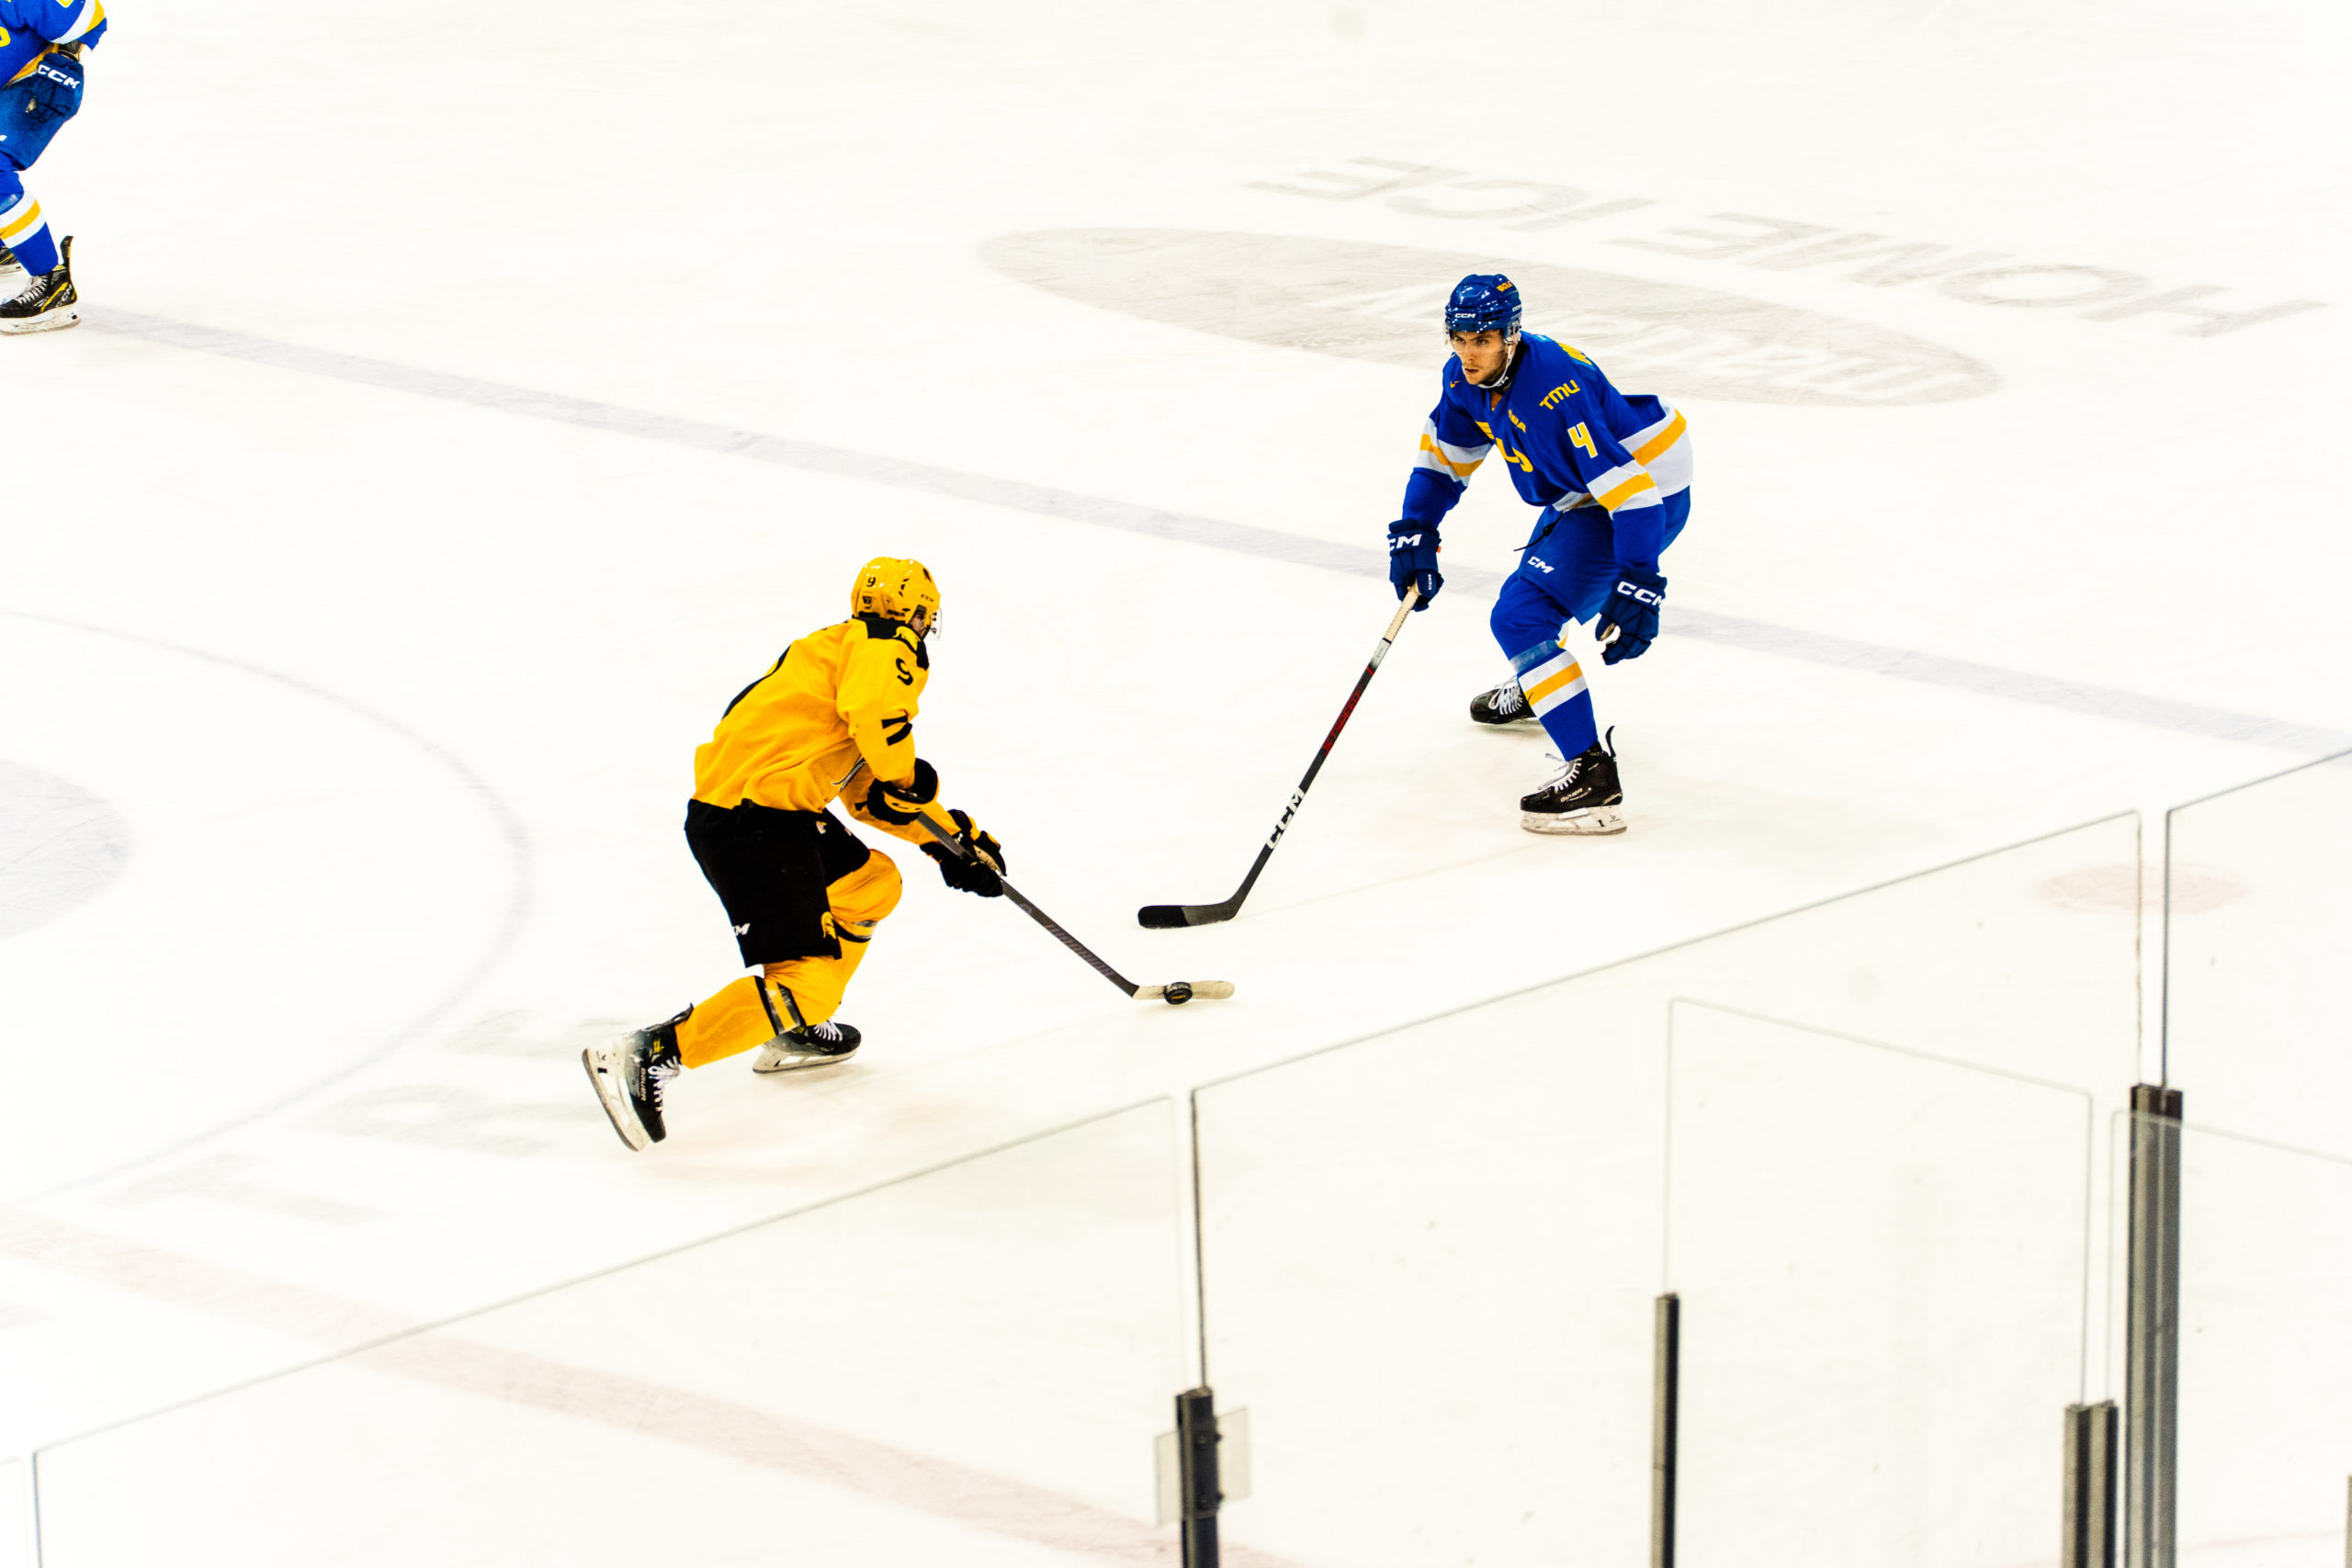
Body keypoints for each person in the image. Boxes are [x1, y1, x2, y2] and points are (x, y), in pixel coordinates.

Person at [583, 558, 1007, 1151]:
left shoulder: (833, 653)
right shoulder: (883, 650)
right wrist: (909, 781)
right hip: (749, 823)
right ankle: (649, 1053)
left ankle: (792, 1029)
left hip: (768, 812)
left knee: (871, 884)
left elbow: (868, 795)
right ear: (917, 614)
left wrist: (952, 843)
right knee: (806, 981)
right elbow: (882, 737)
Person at [1387, 273, 1693, 834]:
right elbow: (1443, 462)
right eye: (1459, 338)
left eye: (1482, 340)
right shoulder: (1466, 380)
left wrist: (1639, 580)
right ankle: (1543, 687)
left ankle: (1593, 780)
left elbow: (1634, 497)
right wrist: (1416, 529)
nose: (1468, 353)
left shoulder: (1556, 392)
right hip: (1586, 492)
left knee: (1521, 615)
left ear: (1511, 334)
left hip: (1643, 492)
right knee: (1533, 597)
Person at [0, 0, 106, 333]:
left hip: (33, 86)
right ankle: (6, 242)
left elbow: (89, 14)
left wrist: (68, 55)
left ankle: (53, 283)